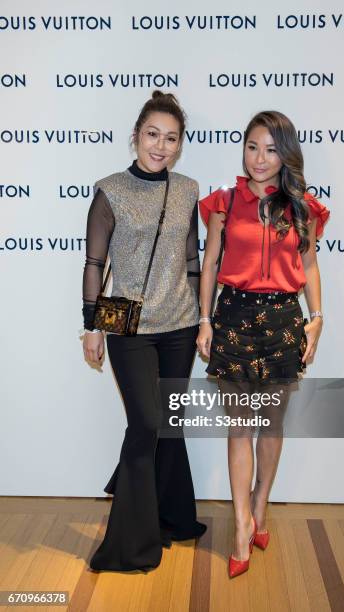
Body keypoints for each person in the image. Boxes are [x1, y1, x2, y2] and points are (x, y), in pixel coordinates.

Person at [196, 110, 330, 578]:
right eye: (253, 146)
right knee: (240, 428)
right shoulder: (222, 203)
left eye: (271, 149)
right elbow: (210, 264)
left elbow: (309, 266)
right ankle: (239, 528)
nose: (260, 158)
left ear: (285, 154)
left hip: (281, 320)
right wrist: (205, 320)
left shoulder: (303, 208)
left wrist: (317, 318)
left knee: (270, 424)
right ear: (244, 148)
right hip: (231, 315)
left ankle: (260, 506)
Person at [81, 90, 206, 572]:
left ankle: (172, 519)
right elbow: (96, 263)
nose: (161, 145)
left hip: (180, 324)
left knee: (169, 425)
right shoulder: (110, 189)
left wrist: (202, 320)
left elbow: (192, 260)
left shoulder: (188, 189)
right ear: (136, 137)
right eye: (152, 134)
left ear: (180, 145)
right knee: (145, 425)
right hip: (125, 323)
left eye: (171, 138)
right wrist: (91, 325)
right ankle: (129, 546)